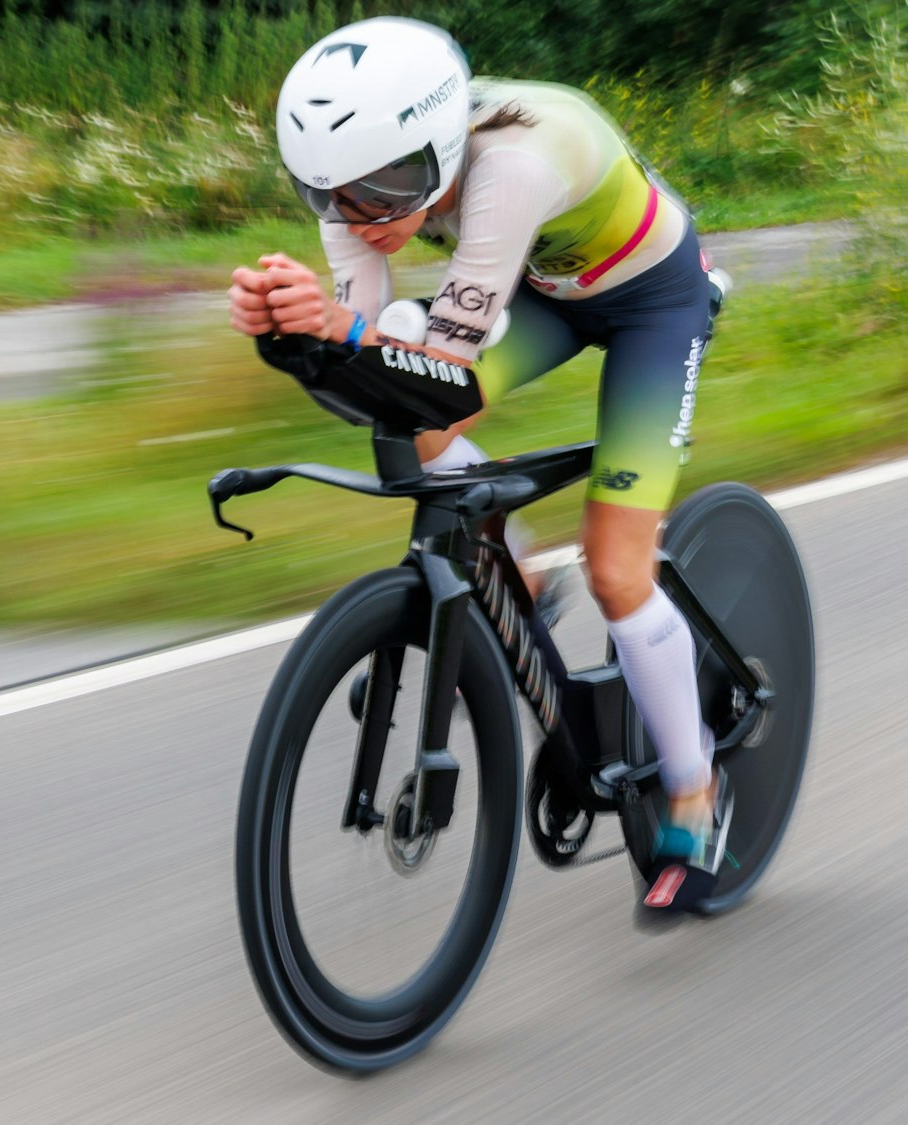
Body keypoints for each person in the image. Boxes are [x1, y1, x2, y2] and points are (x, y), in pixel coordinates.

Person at [228, 16, 729, 914]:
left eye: (387, 190)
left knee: (618, 571)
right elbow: (384, 368)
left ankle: (695, 785)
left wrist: (338, 325)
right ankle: (516, 568)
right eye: (328, 194)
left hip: (654, 300)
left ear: (445, 145)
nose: (360, 218)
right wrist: (296, 325)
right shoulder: (360, 193)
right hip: (549, 293)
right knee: (406, 411)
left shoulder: (515, 169)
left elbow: (447, 378)